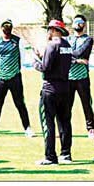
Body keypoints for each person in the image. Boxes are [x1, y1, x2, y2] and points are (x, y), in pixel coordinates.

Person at [31, 20, 74, 165]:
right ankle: (66, 153)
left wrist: (35, 61)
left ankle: (50, 156)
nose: (48, 33)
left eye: (49, 30)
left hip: (50, 89)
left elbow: (46, 67)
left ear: (54, 30)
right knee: (65, 122)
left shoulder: (52, 45)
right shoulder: (67, 46)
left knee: (48, 122)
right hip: (65, 89)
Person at [0, 19, 34, 138]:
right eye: (5, 27)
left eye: (9, 27)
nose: (7, 29)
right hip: (1, 79)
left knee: (20, 103)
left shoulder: (17, 41)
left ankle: (27, 128)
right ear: (1, 28)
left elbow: (23, 55)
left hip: (15, 77)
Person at [67, 14, 94, 138]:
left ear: (84, 25)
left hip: (82, 77)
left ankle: (91, 129)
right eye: (76, 21)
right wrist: (77, 60)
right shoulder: (67, 39)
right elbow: (65, 54)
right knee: (66, 105)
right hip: (68, 77)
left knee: (86, 104)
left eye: (80, 22)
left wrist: (70, 57)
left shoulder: (88, 39)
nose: (78, 24)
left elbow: (80, 52)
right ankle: (64, 128)